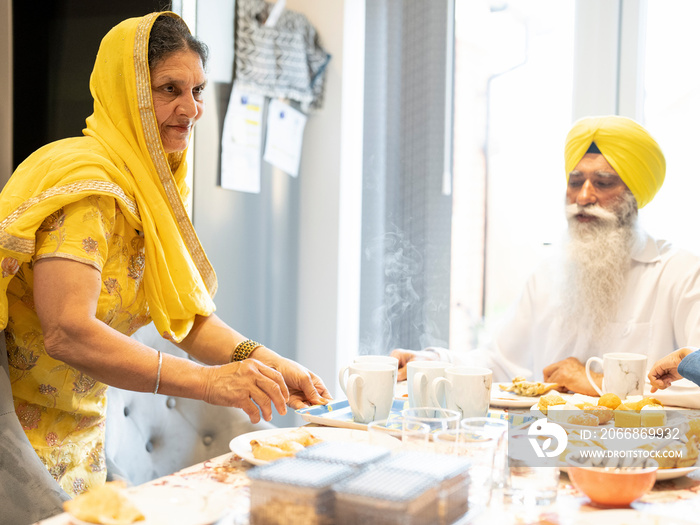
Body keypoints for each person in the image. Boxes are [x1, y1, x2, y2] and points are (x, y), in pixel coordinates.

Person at [0, 12, 330, 498]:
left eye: (197, 91)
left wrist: (267, 361)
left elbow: (186, 319)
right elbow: (67, 332)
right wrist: (209, 383)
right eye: (168, 89)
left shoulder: (149, 187)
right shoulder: (89, 187)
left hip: (81, 434)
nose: (192, 108)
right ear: (125, 93)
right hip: (16, 444)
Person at [392, 115, 700, 396]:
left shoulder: (680, 273)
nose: (583, 197)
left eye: (603, 183)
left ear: (635, 193)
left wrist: (600, 384)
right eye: (575, 181)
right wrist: (434, 363)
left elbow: (695, 380)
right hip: (545, 447)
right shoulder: (549, 274)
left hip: (643, 452)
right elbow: (500, 363)